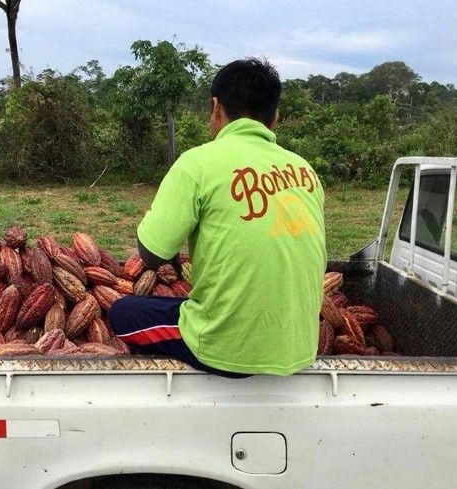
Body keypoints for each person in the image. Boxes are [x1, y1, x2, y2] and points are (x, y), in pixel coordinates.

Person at [108, 58, 327, 378]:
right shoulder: (305, 170)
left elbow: (152, 255)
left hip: (225, 350)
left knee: (122, 312)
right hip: (299, 348)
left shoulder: (197, 163)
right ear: (275, 118)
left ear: (215, 108)